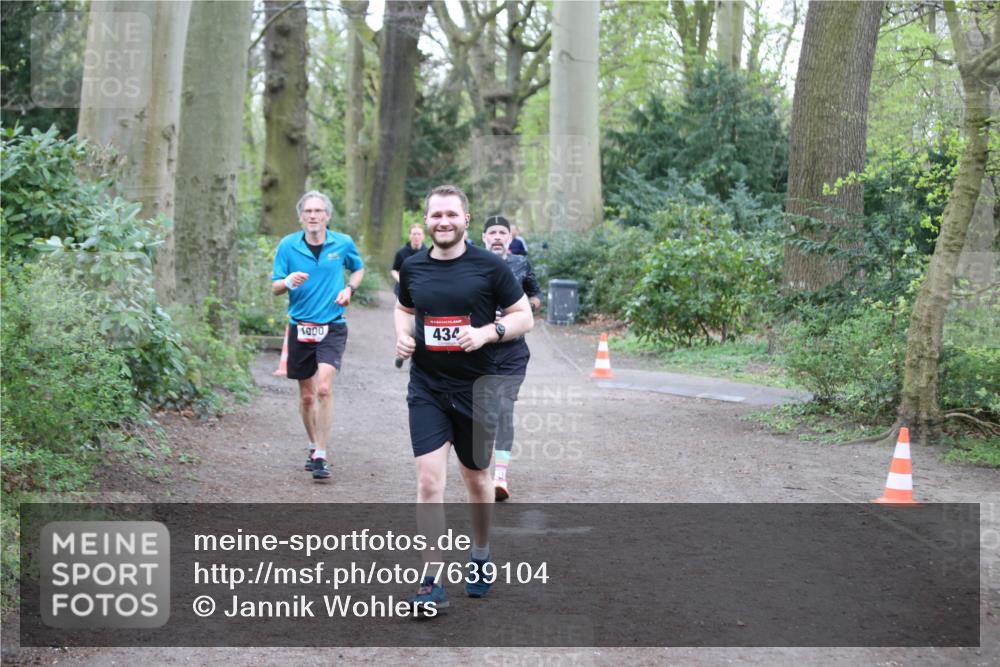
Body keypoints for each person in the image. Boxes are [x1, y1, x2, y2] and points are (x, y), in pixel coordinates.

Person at [395, 184, 533, 614]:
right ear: (427, 220)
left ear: (465, 219)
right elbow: (404, 309)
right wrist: (403, 336)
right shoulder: (413, 267)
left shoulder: (490, 267)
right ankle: (431, 580)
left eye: (451, 214)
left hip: (477, 389)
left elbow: (524, 316)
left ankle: (480, 555)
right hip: (427, 388)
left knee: (476, 480)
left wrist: (487, 333)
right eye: (436, 215)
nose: (443, 222)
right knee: (428, 482)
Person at [271, 191, 365, 481]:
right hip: (301, 326)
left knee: (323, 388)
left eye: (318, 211)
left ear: (328, 215)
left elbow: (358, 268)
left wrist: (349, 289)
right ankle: (313, 445)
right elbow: (275, 287)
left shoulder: (342, 243)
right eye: (308, 211)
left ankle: (321, 455)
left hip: (332, 325)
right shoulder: (288, 245)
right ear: (301, 216)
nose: (313, 216)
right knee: (307, 395)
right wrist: (288, 281)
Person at [482, 215, 541, 501]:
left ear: (510, 237)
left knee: (504, 408)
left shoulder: (521, 264)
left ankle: (500, 476)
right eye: (492, 232)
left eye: (501, 232)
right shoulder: (473, 264)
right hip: (480, 348)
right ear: (484, 238)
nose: (497, 237)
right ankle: (480, 470)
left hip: (513, 351)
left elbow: (536, 295)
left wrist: (522, 309)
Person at [391, 223, 426, 297]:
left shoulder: (428, 253)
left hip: (422, 290)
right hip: (403, 290)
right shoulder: (401, 253)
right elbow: (394, 270)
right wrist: (401, 281)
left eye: (419, 234)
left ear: (423, 236)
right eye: (414, 234)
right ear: (410, 236)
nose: (416, 236)